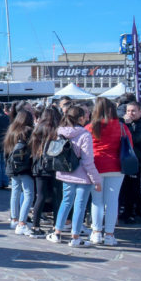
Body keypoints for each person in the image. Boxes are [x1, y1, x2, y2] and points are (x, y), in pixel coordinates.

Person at [47, 105, 102, 247]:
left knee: (65, 202)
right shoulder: (84, 134)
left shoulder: (60, 132)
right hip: (83, 176)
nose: (87, 118)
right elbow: (88, 161)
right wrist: (96, 180)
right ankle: (75, 237)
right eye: (85, 116)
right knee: (80, 206)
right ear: (81, 118)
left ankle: (57, 233)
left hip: (65, 173)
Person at [86, 97, 131, 246]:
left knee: (97, 201)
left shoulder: (90, 127)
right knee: (112, 202)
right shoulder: (121, 127)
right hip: (117, 167)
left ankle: (97, 233)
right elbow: (128, 145)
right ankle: (110, 235)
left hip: (96, 167)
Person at [29, 106, 61, 239]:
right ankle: (55, 226)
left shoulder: (37, 129)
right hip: (54, 166)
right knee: (57, 197)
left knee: (40, 196)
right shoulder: (57, 130)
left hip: (39, 165)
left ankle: (35, 226)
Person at [4, 110, 34, 235]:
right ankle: (22, 222)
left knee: (15, 193)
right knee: (28, 194)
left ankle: (14, 219)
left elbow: (6, 150)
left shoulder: (11, 130)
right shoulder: (28, 131)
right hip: (25, 167)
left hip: (13, 166)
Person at [121, 101, 141, 223]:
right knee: (127, 187)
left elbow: (134, 139)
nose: (130, 114)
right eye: (128, 111)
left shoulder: (140, 125)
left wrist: (127, 126)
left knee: (135, 188)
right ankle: (128, 211)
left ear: (140, 111)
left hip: (138, 161)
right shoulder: (126, 123)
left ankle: (134, 211)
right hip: (127, 161)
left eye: (133, 111)